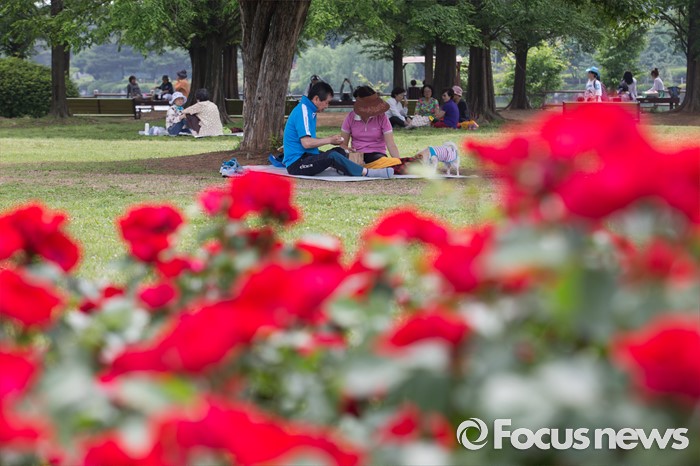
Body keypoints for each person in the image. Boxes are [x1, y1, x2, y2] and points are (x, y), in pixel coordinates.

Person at [283, 82, 394, 179]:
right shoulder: (303, 111)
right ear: (316, 99)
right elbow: (306, 143)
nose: (327, 106)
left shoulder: (310, 110)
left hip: (307, 156)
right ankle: (368, 172)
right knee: (332, 155)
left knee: (339, 151)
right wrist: (329, 140)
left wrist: (332, 141)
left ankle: (346, 168)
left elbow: (308, 140)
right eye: (326, 102)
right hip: (297, 163)